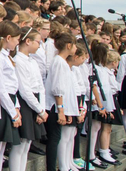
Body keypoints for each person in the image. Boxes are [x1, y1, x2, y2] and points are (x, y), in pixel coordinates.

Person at [0, 21, 22, 171]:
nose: (18, 42)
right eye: (17, 39)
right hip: (2, 104)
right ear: (8, 37)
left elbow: (14, 85)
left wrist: (16, 107)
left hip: (11, 102)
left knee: (1, 148)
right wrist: (12, 111)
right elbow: (1, 87)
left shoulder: (6, 56)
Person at [11, 27, 47, 171]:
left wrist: (41, 110)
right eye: (38, 42)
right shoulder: (18, 60)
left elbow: (40, 86)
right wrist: (39, 109)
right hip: (26, 103)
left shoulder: (32, 61)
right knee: (20, 144)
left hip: (35, 102)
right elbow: (25, 90)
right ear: (28, 41)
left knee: (27, 144)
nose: (39, 45)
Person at [44, 33, 79, 171]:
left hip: (59, 107)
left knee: (57, 138)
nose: (76, 48)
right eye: (74, 45)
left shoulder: (62, 62)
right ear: (69, 46)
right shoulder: (58, 62)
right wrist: (61, 111)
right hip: (54, 106)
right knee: (54, 139)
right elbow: (57, 89)